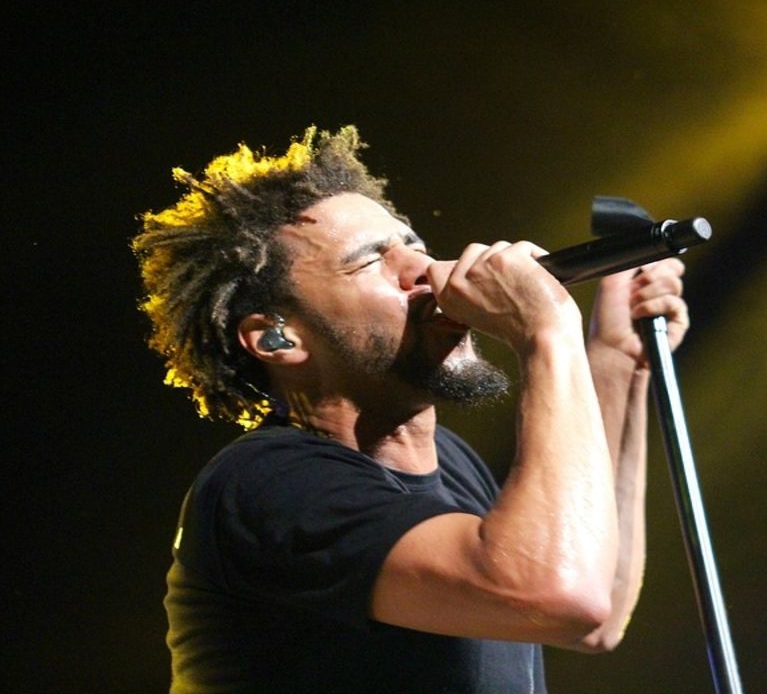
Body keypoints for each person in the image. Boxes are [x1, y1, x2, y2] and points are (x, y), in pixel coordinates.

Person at [133, 125, 689, 693]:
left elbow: (596, 608)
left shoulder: (451, 461)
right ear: (279, 338)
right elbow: (559, 595)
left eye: (414, 244)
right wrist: (547, 330)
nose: (426, 268)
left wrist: (617, 360)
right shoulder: (269, 484)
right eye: (370, 261)